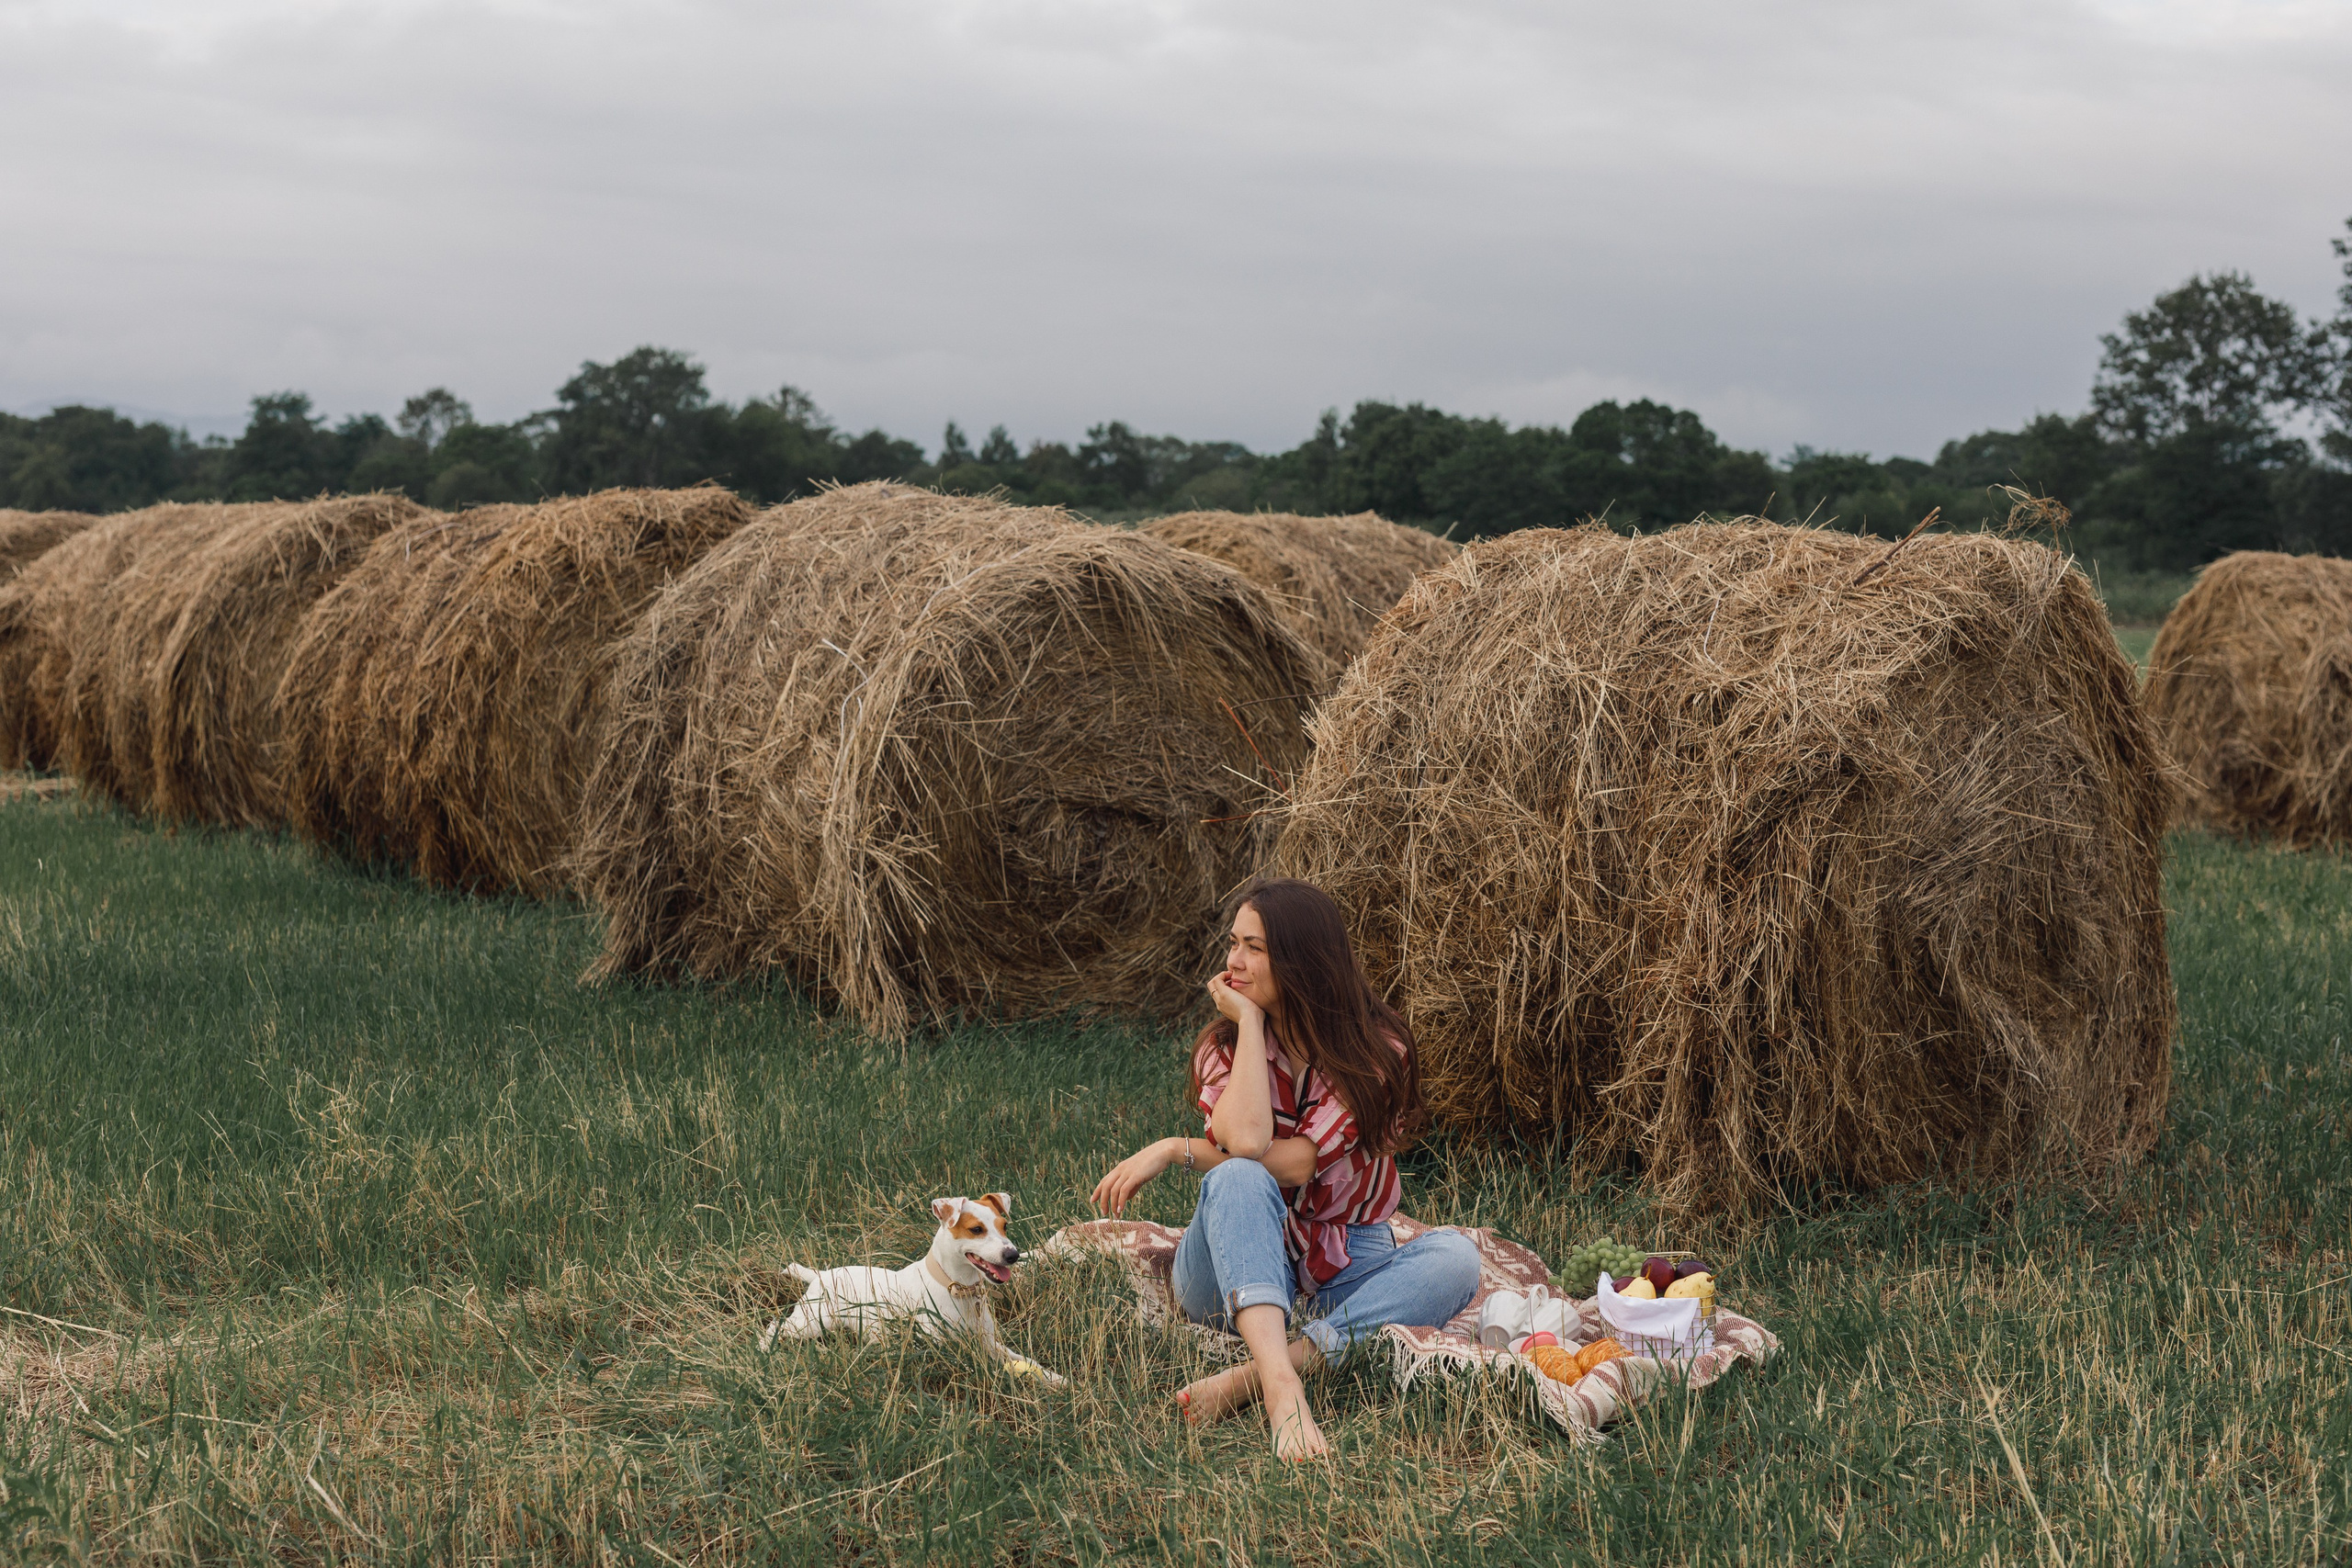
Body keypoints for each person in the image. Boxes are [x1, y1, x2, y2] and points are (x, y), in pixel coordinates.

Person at [1091, 878, 1483, 1461]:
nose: (1233, 962)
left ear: (1302, 961)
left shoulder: (1376, 1049)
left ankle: (1259, 1372)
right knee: (1237, 1177)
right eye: (1233, 943)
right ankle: (1282, 1390)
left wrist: (1177, 1147)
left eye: (1254, 947)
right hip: (1227, 1271)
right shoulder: (1221, 1047)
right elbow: (1247, 1145)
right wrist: (1250, 1025)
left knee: (1457, 1259)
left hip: (1345, 1258)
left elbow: (1298, 1164)